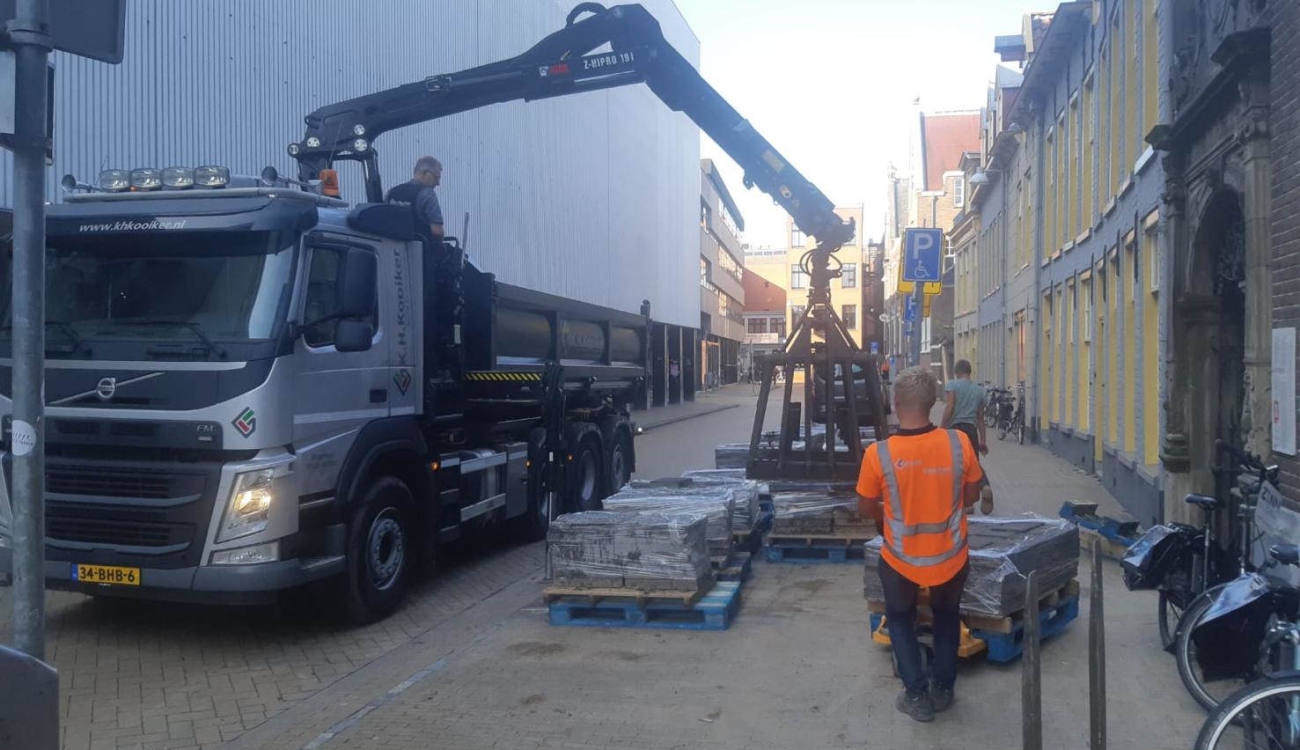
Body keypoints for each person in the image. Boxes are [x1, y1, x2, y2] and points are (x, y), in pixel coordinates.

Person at [857, 366, 985, 723]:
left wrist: (887, 521)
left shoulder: (878, 454)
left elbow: (866, 505)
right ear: (931, 404)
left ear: (896, 404)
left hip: (899, 558)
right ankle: (943, 688)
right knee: (947, 617)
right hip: (951, 556)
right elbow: (971, 494)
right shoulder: (958, 443)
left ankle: (916, 695)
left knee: (900, 618)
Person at [940, 359, 995, 515]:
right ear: (970, 372)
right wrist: (983, 441)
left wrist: (942, 426)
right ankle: (984, 486)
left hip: (955, 430)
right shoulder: (979, 391)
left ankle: (965, 502)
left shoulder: (952, 385)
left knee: (957, 465)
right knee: (973, 463)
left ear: (957, 372)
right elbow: (980, 419)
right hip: (971, 430)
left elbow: (950, 407)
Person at [385, 156, 444, 245]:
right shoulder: (427, 194)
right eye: (436, 177)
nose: (438, 183)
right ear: (426, 173)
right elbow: (437, 231)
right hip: (420, 252)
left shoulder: (391, 193)